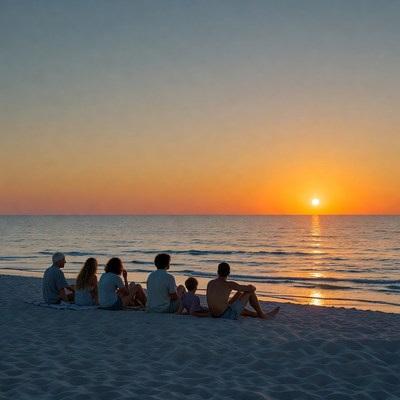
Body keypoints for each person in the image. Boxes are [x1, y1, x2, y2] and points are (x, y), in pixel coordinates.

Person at [206, 262, 280, 320]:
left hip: (214, 315)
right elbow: (250, 289)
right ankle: (262, 315)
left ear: (217, 272)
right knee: (250, 293)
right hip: (225, 315)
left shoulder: (210, 283)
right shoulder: (229, 284)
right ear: (229, 273)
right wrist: (252, 286)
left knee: (243, 307)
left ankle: (261, 314)